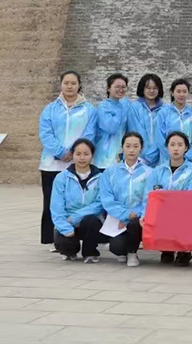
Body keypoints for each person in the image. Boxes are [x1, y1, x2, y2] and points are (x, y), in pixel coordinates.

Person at [39, 70, 97, 248]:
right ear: (61, 85)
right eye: (66, 83)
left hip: (78, 163)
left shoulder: (89, 109)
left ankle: (81, 236)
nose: (69, 86)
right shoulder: (50, 109)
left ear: (79, 85)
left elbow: (90, 133)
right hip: (52, 164)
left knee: (78, 202)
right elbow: (46, 133)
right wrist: (60, 152)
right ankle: (52, 239)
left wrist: (75, 152)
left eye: (73, 83)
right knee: (52, 202)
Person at [145, 131, 192, 266]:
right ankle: (167, 249)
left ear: (186, 148)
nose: (176, 148)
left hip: (184, 211)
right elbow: (148, 194)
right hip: (162, 211)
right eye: (172, 145)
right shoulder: (158, 170)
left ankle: (184, 251)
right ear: (167, 147)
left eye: (180, 145)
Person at [100, 131, 152, 267]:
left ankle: (132, 253)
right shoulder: (110, 172)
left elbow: (149, 198)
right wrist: (125, 214)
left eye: (136, 146)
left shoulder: (149, 172)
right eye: (128, 146)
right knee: (117, 247)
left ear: (141, 148)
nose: (131, 150)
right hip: (117, 218)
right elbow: (107, 199)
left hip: (139, 218)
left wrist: (136, 214)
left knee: (134, 224)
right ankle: (123, 250)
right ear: (122, 147)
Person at [50, 138, 103, 262]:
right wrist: (65, 227)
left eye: (86, 154)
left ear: (92, 155)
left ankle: (90, 252)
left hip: (89, 221)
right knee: (64, 244)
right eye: (78, 154)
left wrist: (77, 216)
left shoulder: (101, 178)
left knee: (92, 221)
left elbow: (100, 203)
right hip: (68, 221)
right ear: (72, 155)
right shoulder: (61, 178)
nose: (82, 158)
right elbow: (56, 206)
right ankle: (70, 251)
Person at [127, 73, 165, 167]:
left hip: (161, 156)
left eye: (155, 88)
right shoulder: (134, 107)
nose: (151, 91)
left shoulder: (165, 109)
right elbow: (136, 130)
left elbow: (164, 134)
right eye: (148, 88)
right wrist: (146, 153)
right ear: (142, 89)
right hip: (140, 156)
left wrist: (158, 151)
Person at [157, 78, 192, 166]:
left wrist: (189, 155)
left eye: (184, 91)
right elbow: (160, 138)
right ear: (172, 93)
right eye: (178, 91)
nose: (181, 94)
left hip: (189, 159)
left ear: (188, 93)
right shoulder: (163, 113)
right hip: (168, 159)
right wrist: (172, 155)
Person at [95, 73, 129, 171]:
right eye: (117, 87)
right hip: (104, 157)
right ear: (109, 88)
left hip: (121, 155)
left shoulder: (125, 104)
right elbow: (111, 128)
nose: (120, 90)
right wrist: (119, 107)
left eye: (123, 87)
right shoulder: (103, 107)